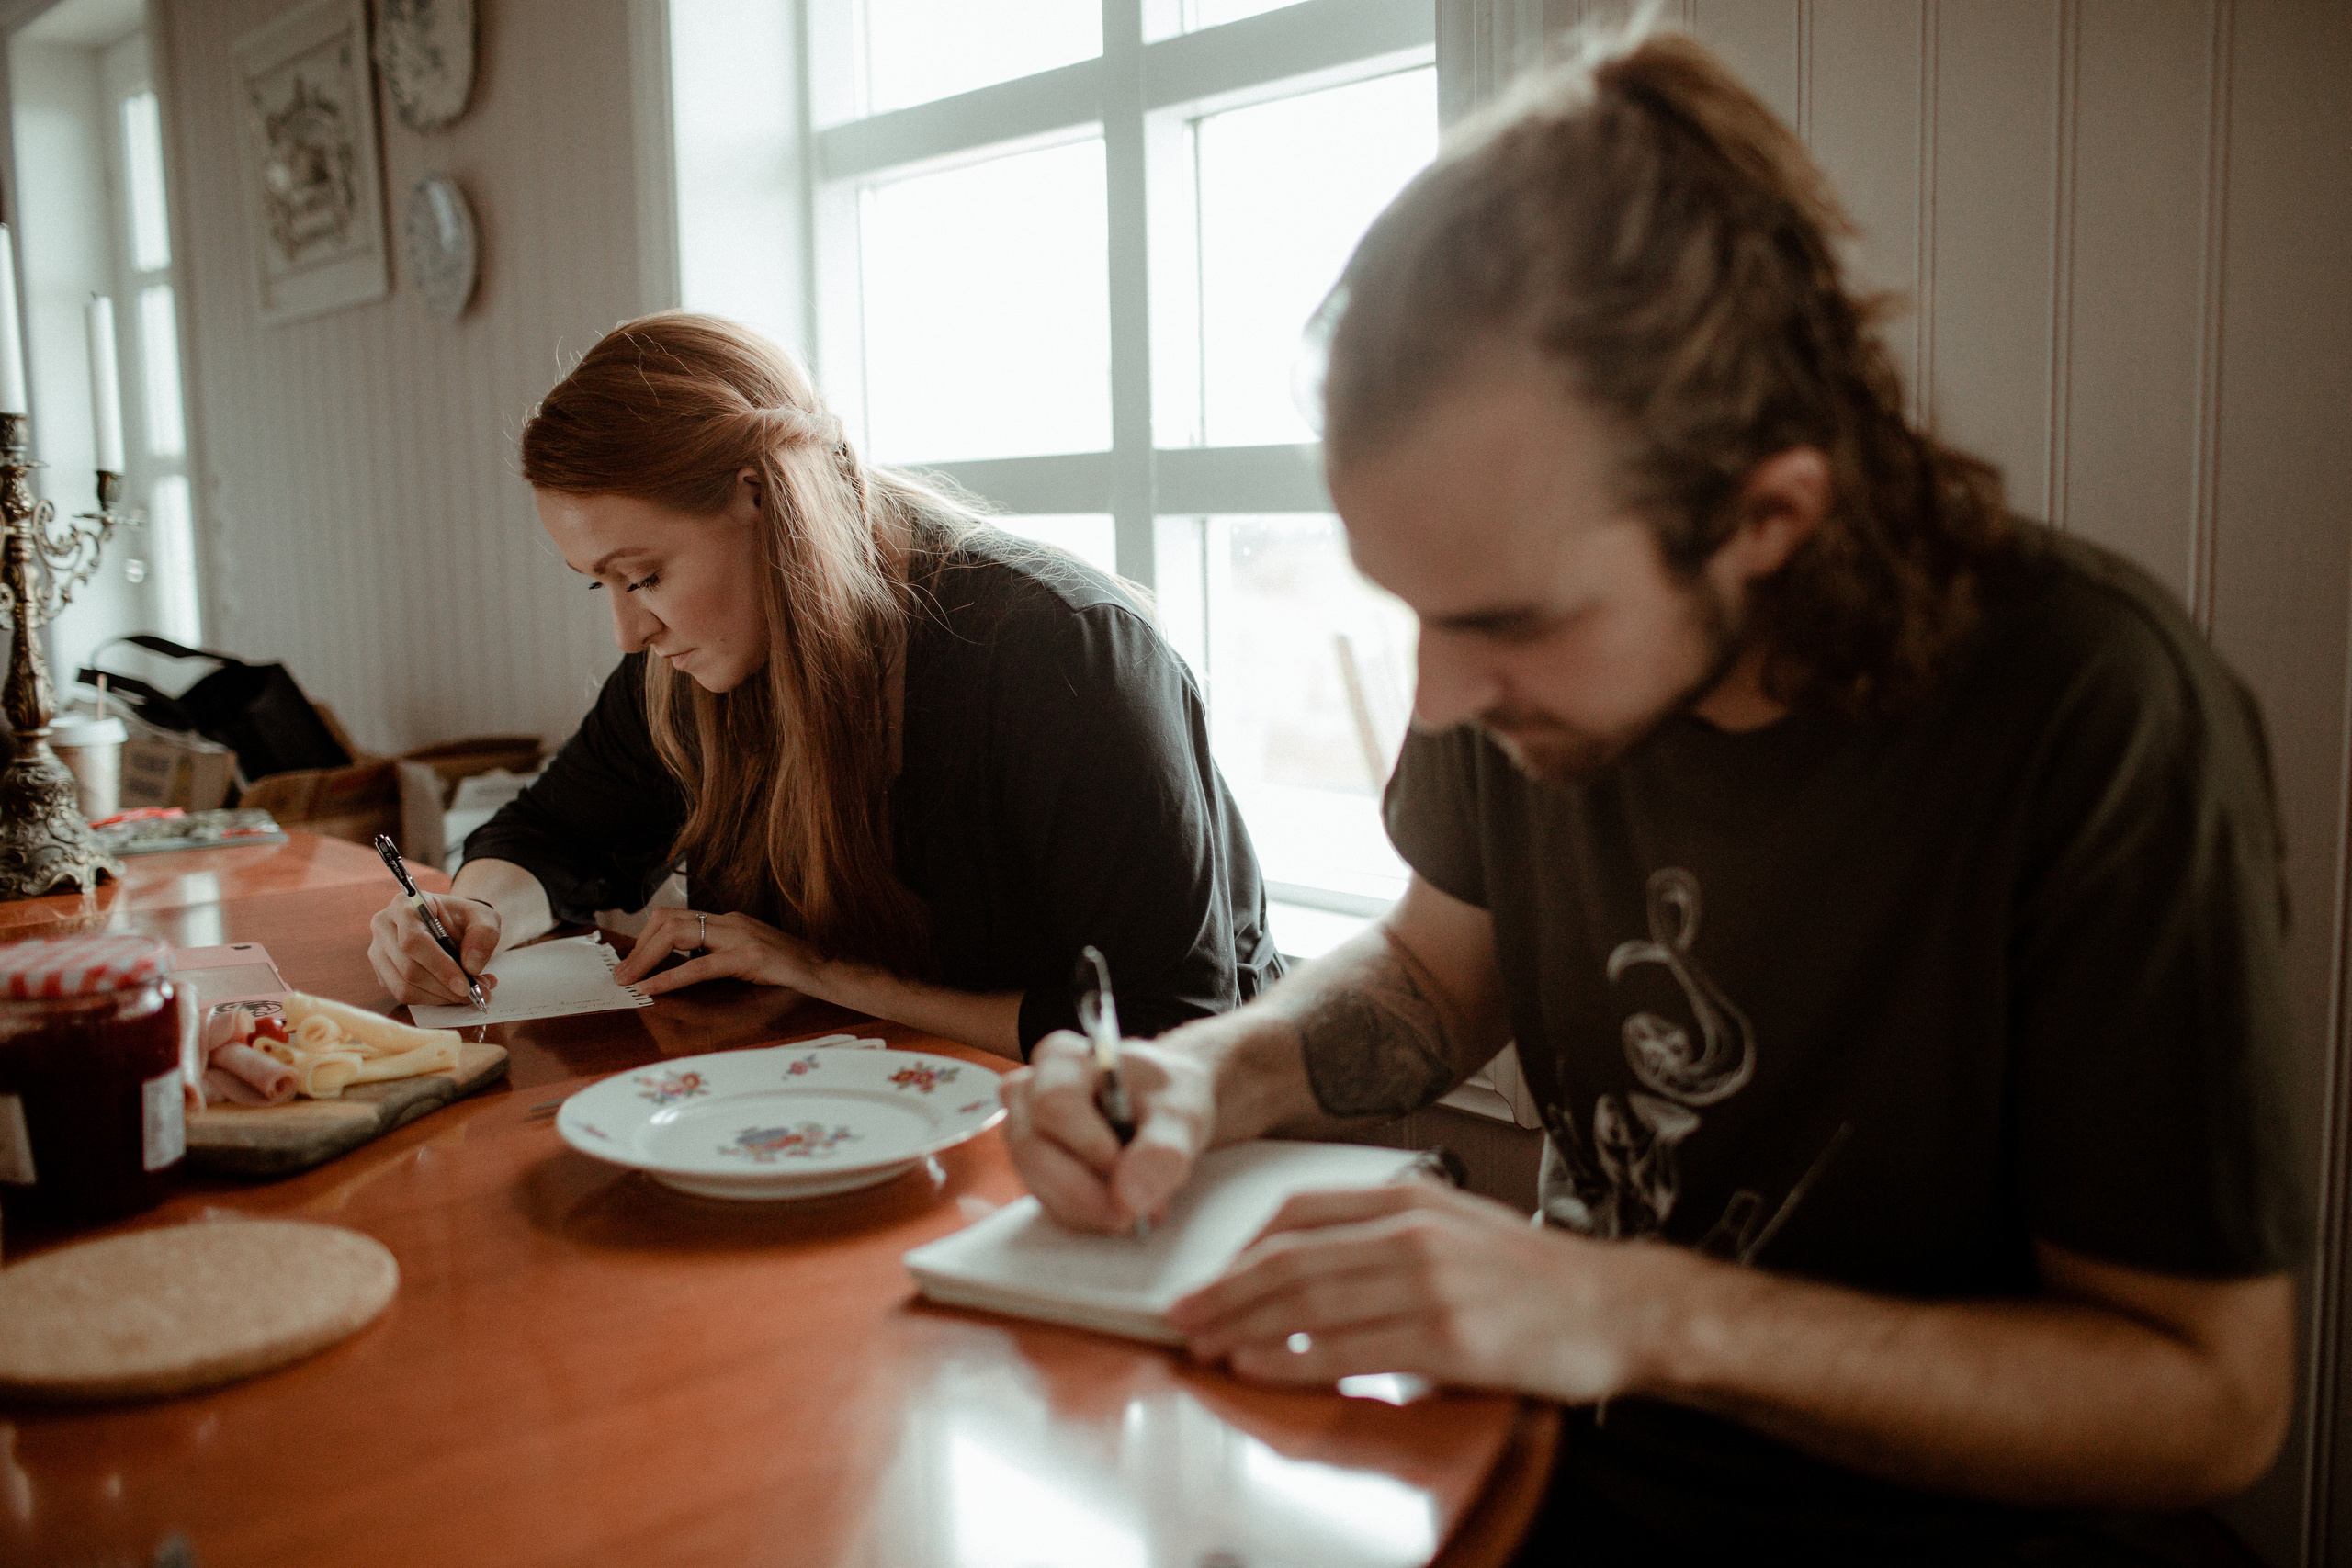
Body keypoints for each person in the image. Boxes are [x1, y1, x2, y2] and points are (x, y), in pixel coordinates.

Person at [1001, 24, 2301, 1562]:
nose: (1438, 694)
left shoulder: (2095, 714)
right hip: (1573, 1489)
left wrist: (1637, 1308)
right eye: (1411, 609)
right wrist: (1216, 1074)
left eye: (1505, 621)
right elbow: (1432, 975)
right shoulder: (1519, 664)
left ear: (1765, 515)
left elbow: (2209, 1397)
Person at [368, 312, 1283, 1059]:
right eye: (598, 583)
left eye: (643, 575)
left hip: (1152, 1143)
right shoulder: (694, 668)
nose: (628, 630)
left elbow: (1167, 1027)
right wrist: (472, 912)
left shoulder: (1059, 654)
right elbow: (554, 834)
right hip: (880, 1104)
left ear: (762, 497)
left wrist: (825, 976)